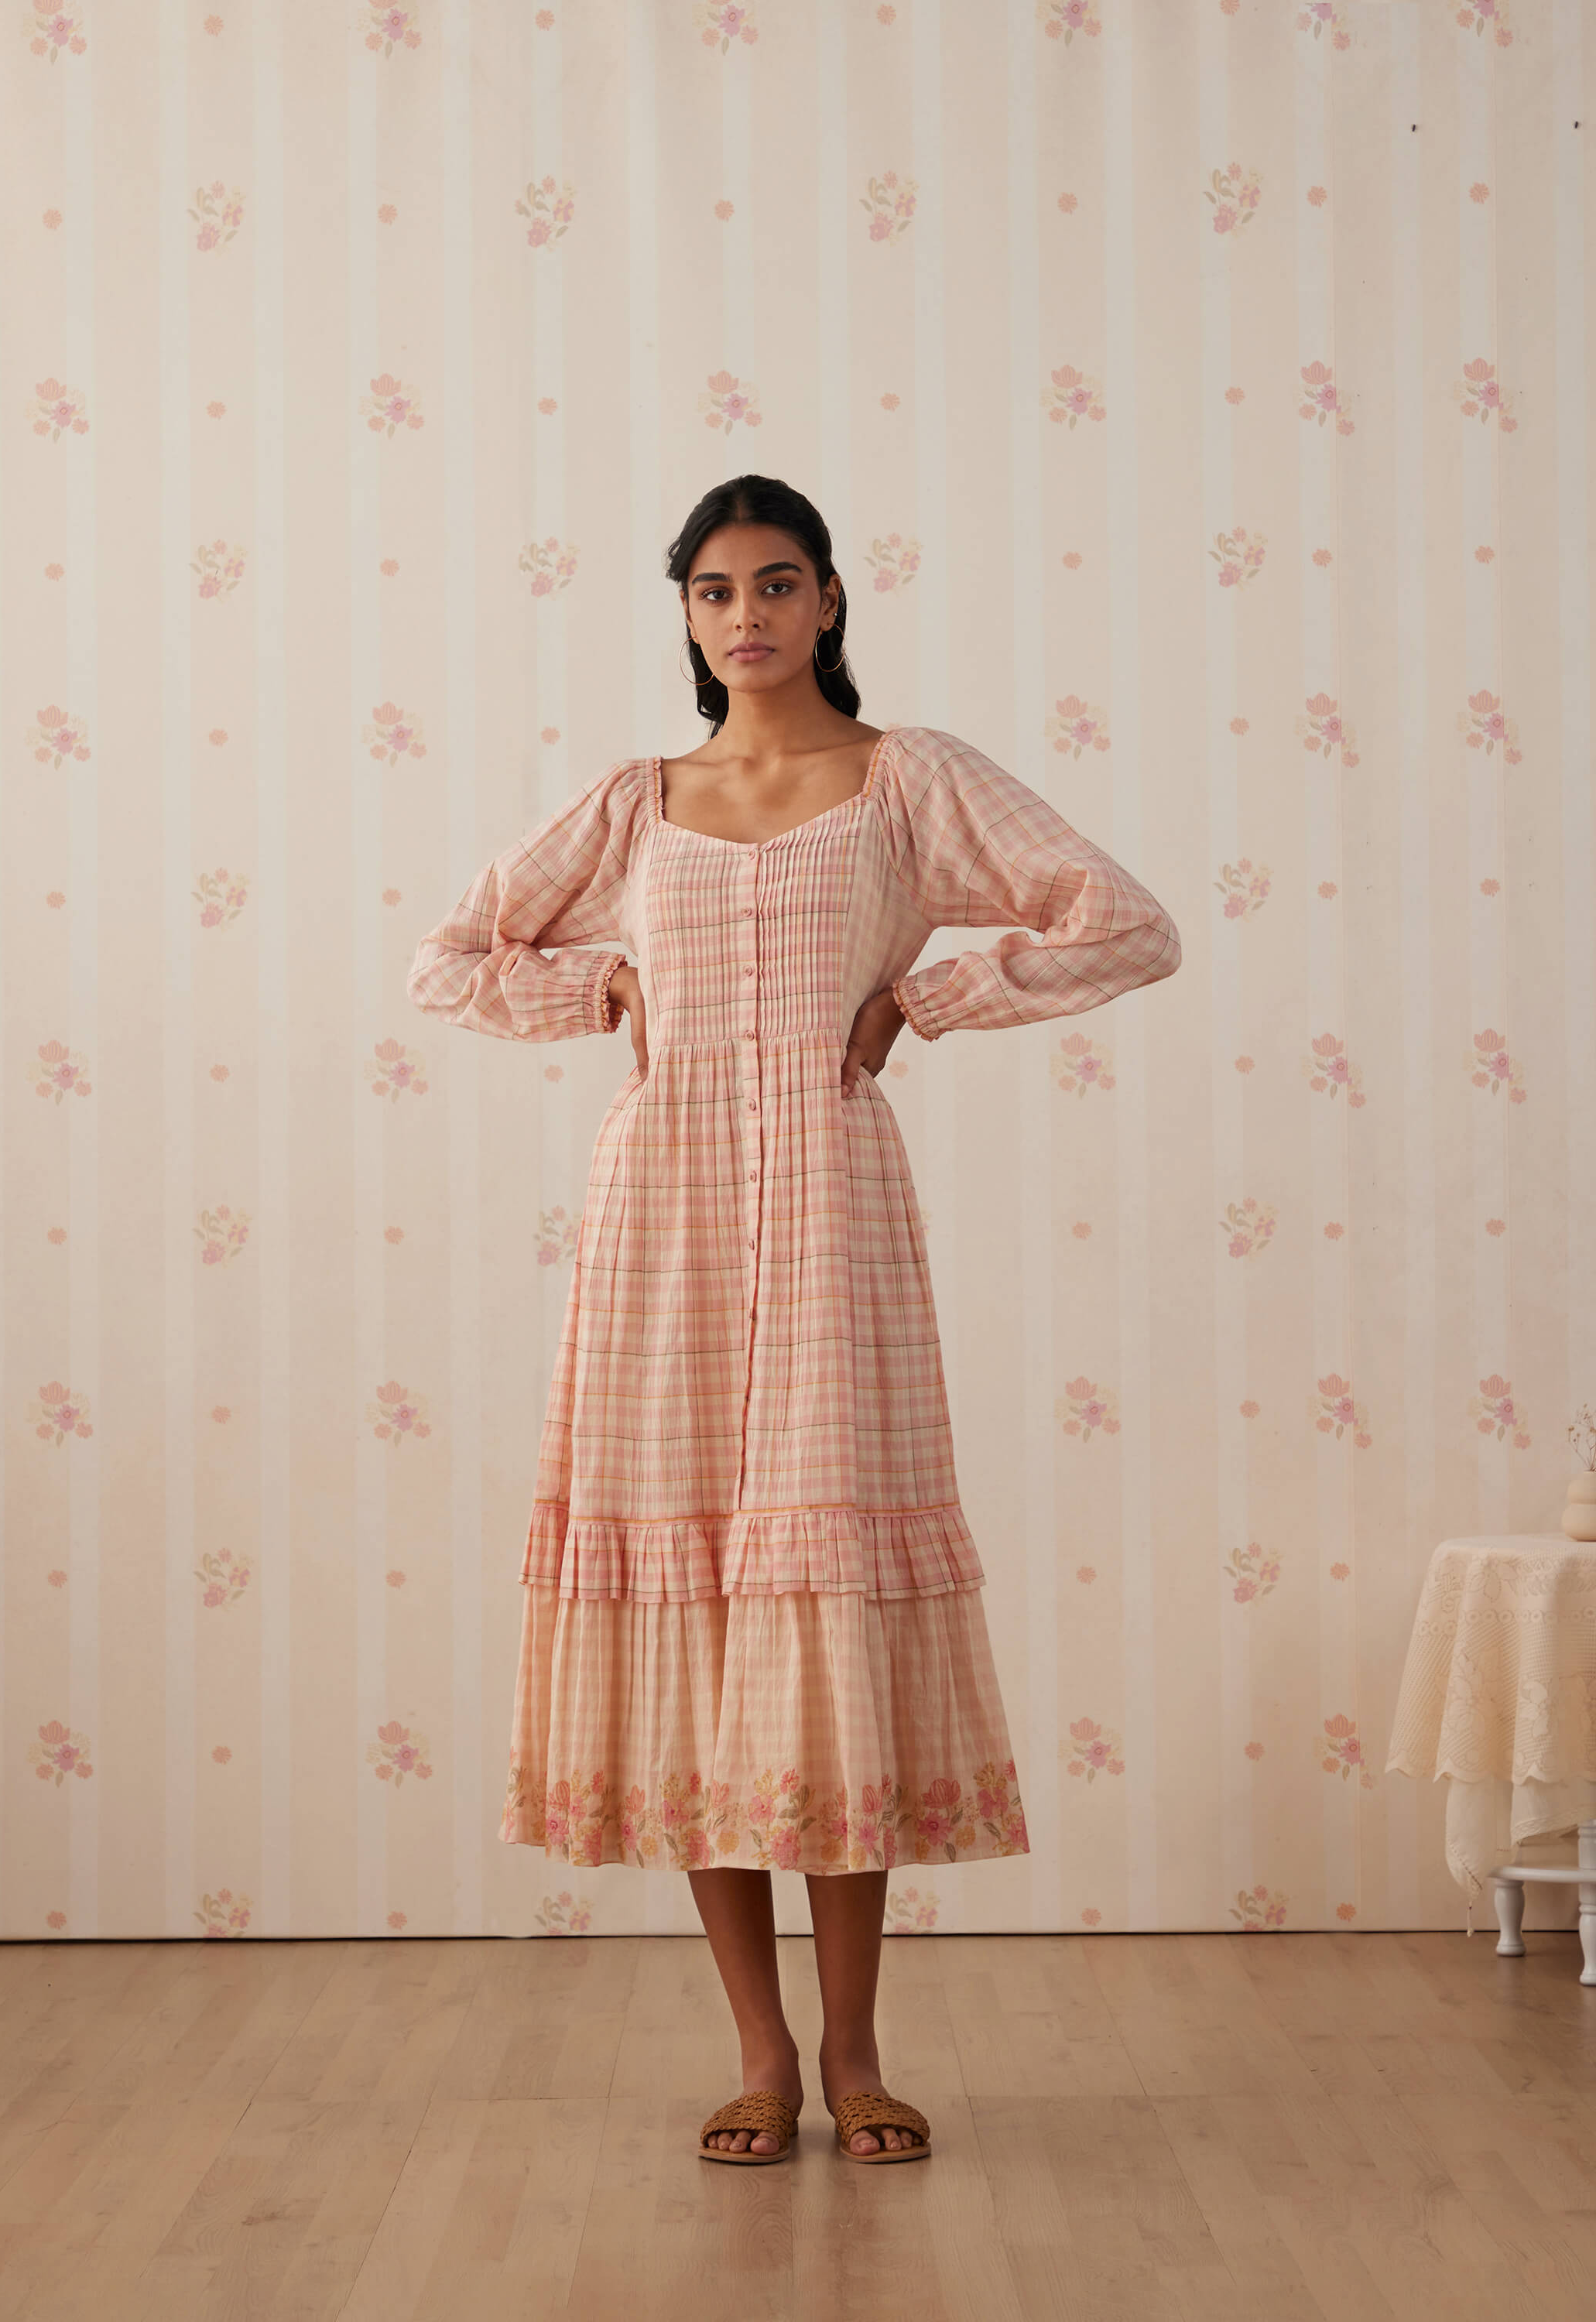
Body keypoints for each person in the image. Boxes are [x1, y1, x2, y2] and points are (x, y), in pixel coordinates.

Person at [407, 474, 1181, 2168]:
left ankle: (856, 2051)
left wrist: (936, 993)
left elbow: (1128, 922)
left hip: (832, 1213)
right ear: (683, 615)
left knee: (817, 1616)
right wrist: (593, 983)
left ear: (828, 599)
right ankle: (755, 2053)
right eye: (710, 592)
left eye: (773, 584)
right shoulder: (636, 804)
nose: (742, 615)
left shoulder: (910, 782)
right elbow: (451, 954)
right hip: (660, 1217)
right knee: (691, 1606)